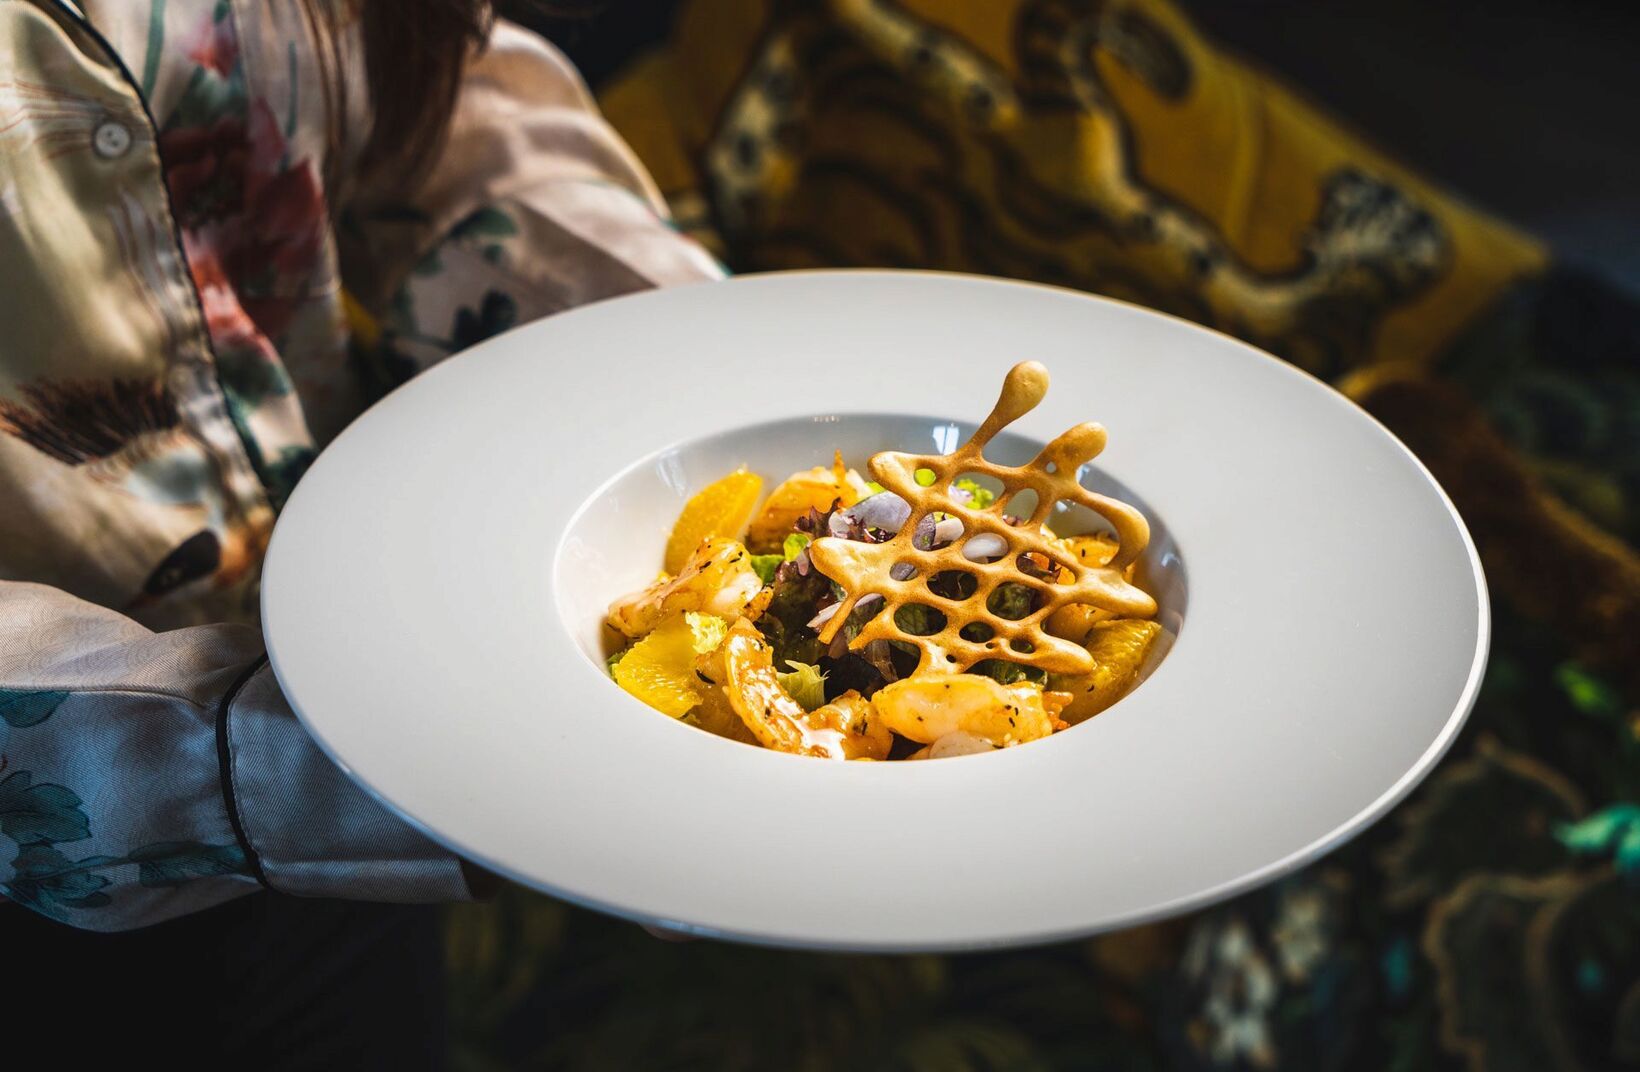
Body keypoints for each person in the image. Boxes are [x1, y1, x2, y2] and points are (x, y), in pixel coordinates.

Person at [0, 1, 716, 1064]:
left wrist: (694, 374)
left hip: (369, 856)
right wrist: (377, 760)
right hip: (52, 932)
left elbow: (435, 106)